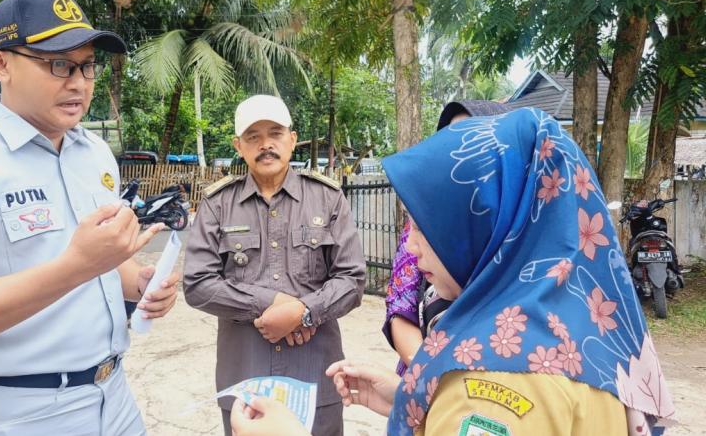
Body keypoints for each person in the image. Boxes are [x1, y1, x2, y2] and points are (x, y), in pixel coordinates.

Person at [236, 108, 676, 435]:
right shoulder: (574, 324)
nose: (409, 244)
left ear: (483, 226)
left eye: (426, 226)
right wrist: (412, 400)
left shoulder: (495, 379)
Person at [0, 0, 178, 435]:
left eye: (87, 65)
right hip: (16, 411)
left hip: (115, 398)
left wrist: (134, 281)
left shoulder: (93, 153)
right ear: (0, 64)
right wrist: (74, 267)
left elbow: (97, 260)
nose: (79, 82)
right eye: (58, 64)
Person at [184, 94, 366, 436]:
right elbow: (197, 284)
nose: (265, 144)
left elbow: (352, 279)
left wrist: (304, 311)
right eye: (253, 136)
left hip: (315, 380)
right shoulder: (217, 204)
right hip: (245, 380)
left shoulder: (328, 198)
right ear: (239, 146)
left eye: (275, 133)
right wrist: (270, 304)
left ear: (292, 140)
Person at [384, 100, 507, 374]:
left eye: (469, 140)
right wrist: (429, 383)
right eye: (449, 141)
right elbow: (400, 306)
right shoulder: (418, 229)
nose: (458, 154)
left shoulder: (521, 243)